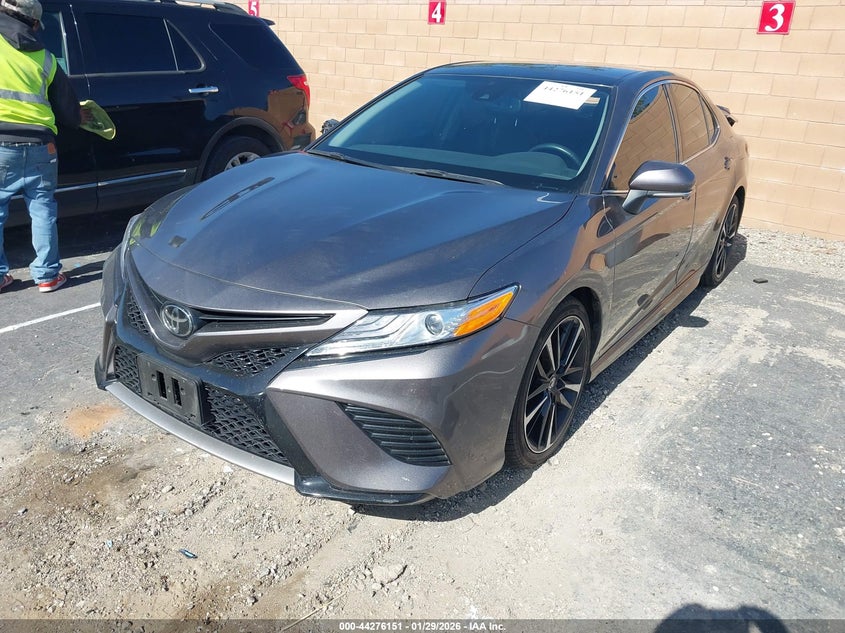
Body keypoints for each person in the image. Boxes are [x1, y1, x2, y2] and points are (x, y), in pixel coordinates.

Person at [0, 0, 86, 293]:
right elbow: (69, 112)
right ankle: (47, 275)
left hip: (1, 144)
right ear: (33, 23)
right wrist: (82, 116)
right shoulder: (46, 58)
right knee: (42, 209)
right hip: (41, 144)